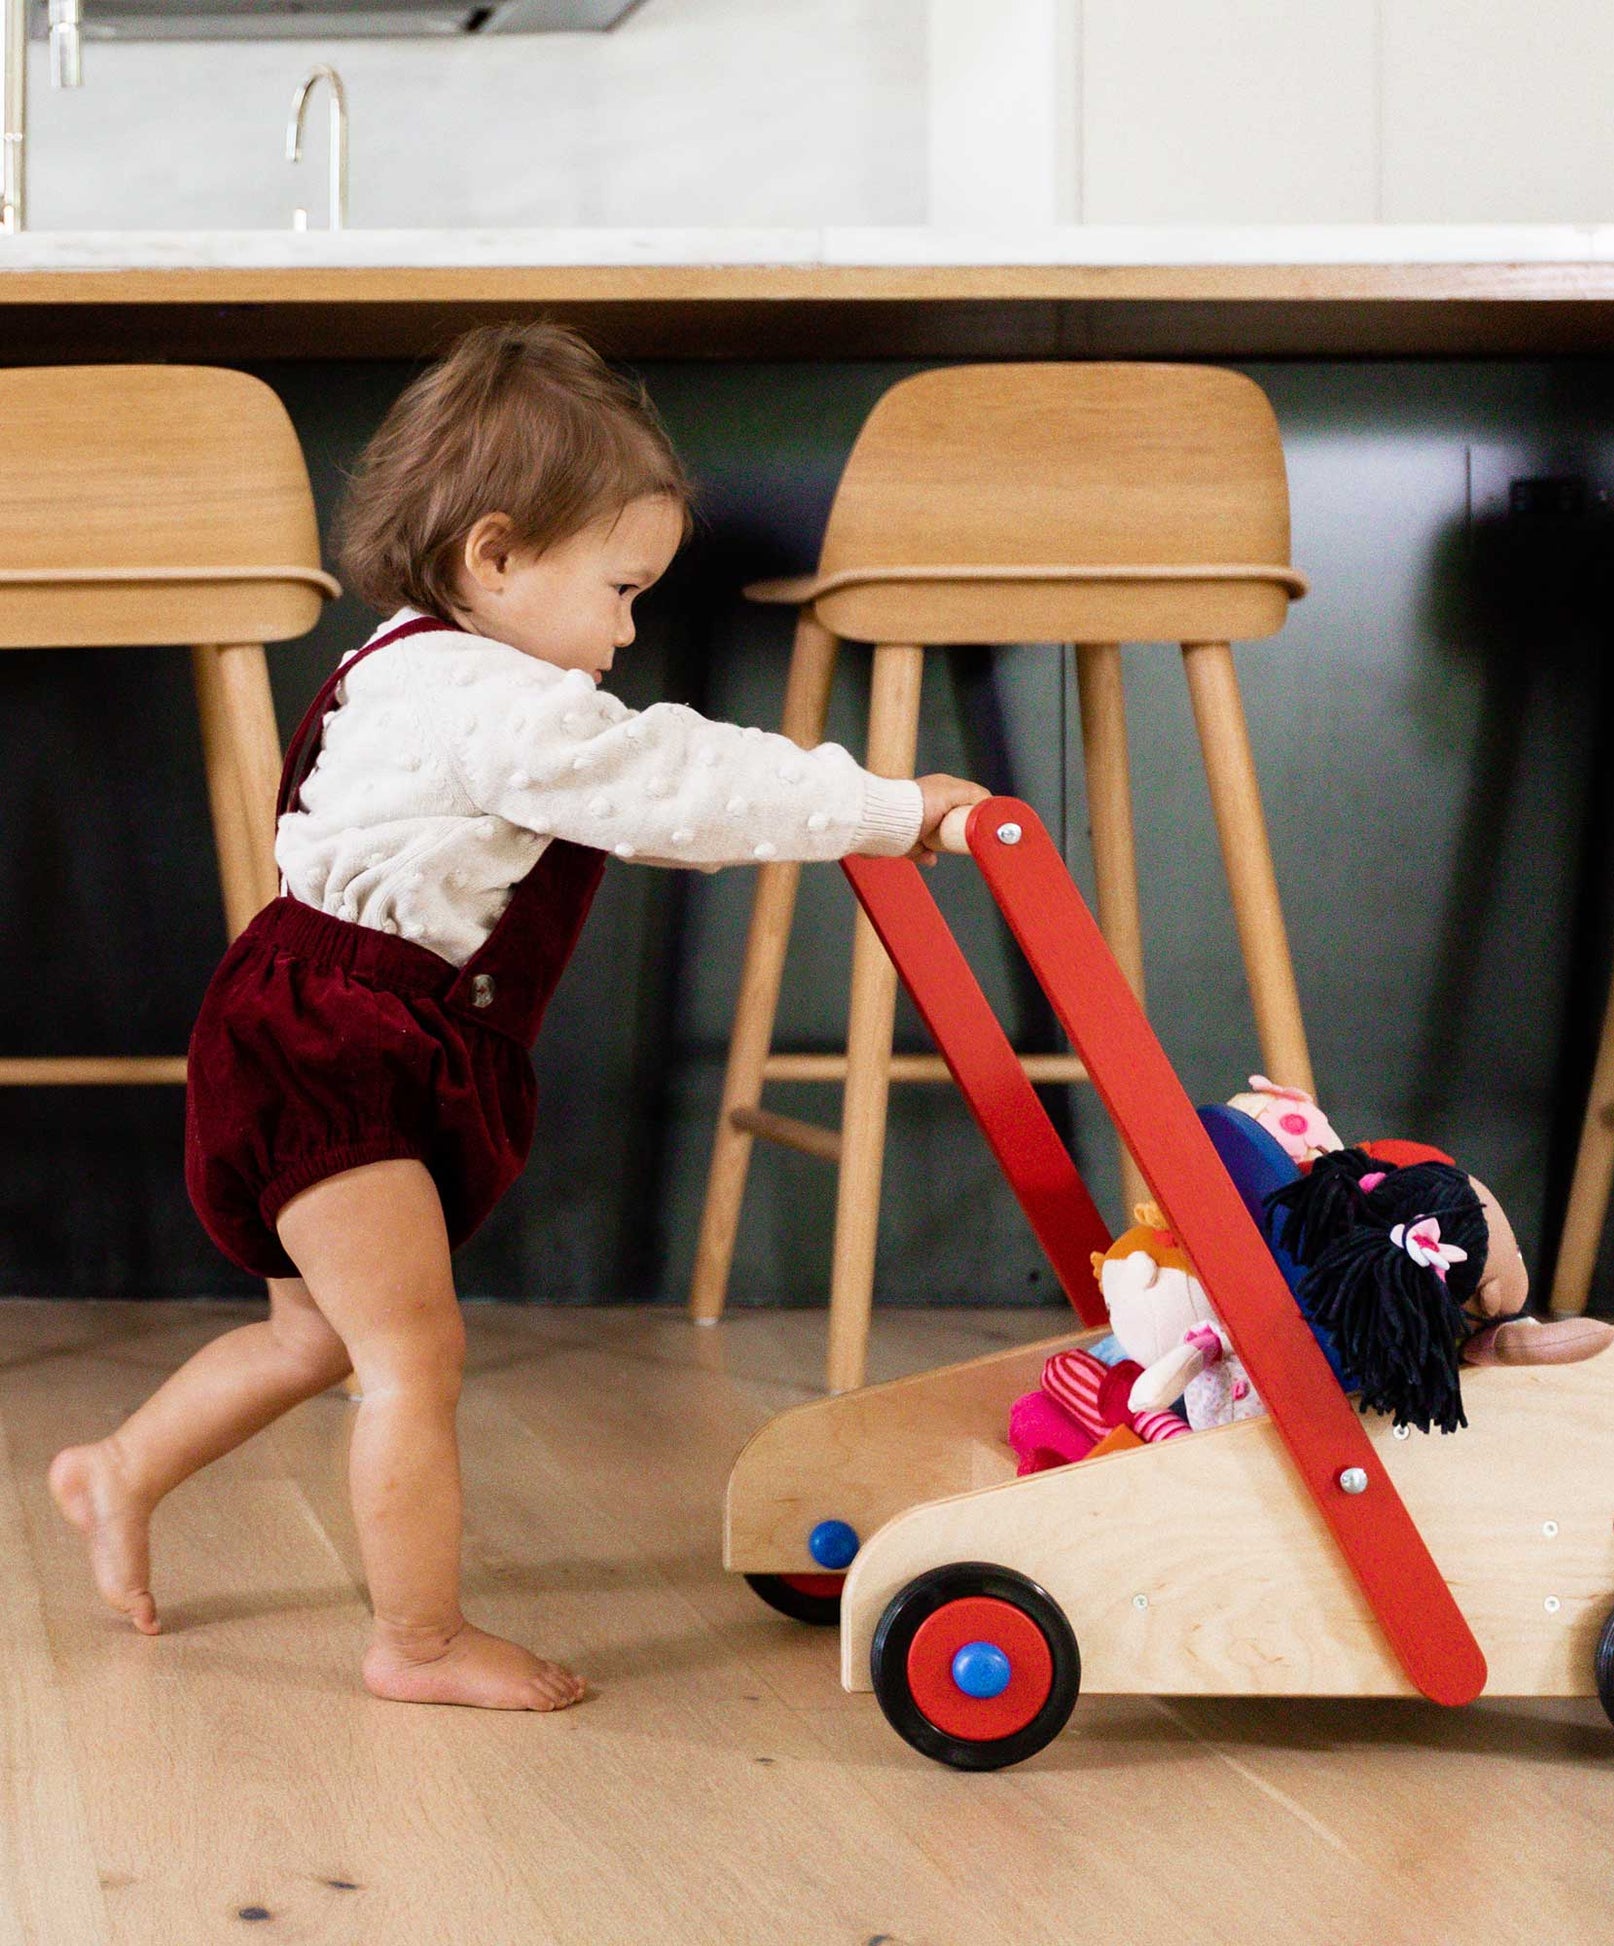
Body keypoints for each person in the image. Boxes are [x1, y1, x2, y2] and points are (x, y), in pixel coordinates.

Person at [48, 322, 987, 1711]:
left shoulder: (401, 662)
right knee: (411, 1359)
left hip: (292, 1023)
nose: (621, 631)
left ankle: (121, 1468)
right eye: (616, 591)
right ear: (495, 555)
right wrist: (889, 805)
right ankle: (415, 1638)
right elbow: (678, 786)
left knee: (314, 1339)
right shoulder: (499, 705)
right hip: (338, 1048)